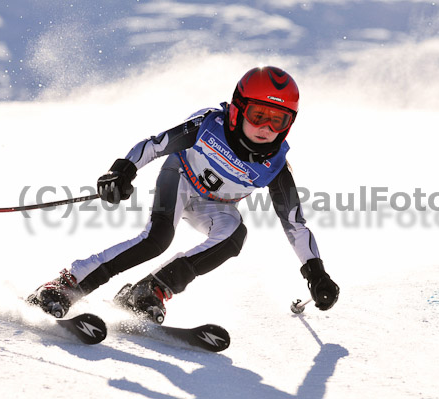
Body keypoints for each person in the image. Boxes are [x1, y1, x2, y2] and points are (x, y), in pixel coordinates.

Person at [27, 66, 340, 323]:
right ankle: (69, 285)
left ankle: (151, 289)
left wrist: (316, 273)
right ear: (239, 110)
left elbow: (295, 225)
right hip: (179, 178)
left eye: (278, 119)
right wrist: (122, 170)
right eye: (258, 114)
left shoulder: (276, 167)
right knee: (157, 239)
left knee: (234, 235)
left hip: (216, 205)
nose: (266, 127)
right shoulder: (209, 126)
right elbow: (155, 145)